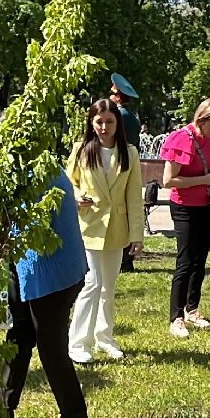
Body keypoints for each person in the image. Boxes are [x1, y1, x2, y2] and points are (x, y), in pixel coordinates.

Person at [3, 171, 90, 418]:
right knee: (19, 334)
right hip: (27, 266)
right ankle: (1, 405)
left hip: (51, 274)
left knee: (51, 347)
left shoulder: (37, 174)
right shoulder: (26, 169)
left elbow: (27, 226)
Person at [66, 98, 144, 362]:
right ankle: (78, 344)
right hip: (87, 226)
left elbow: (134, 196)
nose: (104, 127)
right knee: (92, 284)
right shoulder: (81, 149)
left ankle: (105, 337)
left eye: (109, 122)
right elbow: (68, 184)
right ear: (91, 122)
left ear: (117, 123)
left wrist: (137, 235)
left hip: (116, 229)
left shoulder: (129, 153)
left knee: (108, 287)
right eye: (99, 122)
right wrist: (76, 197)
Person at [159, 96, 210, 337]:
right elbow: (168, 180)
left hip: (205, 205)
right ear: (201, 119)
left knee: (200, 260)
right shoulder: (182, 139)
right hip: (184, 208)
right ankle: (176, 316)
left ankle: (193, 309)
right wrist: (203, 180)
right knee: (185, 261)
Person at [108, 72, 142, 148]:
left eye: (112, 93)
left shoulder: (119, 115)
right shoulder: (131, 115)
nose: (109, 96)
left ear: (118, 97)